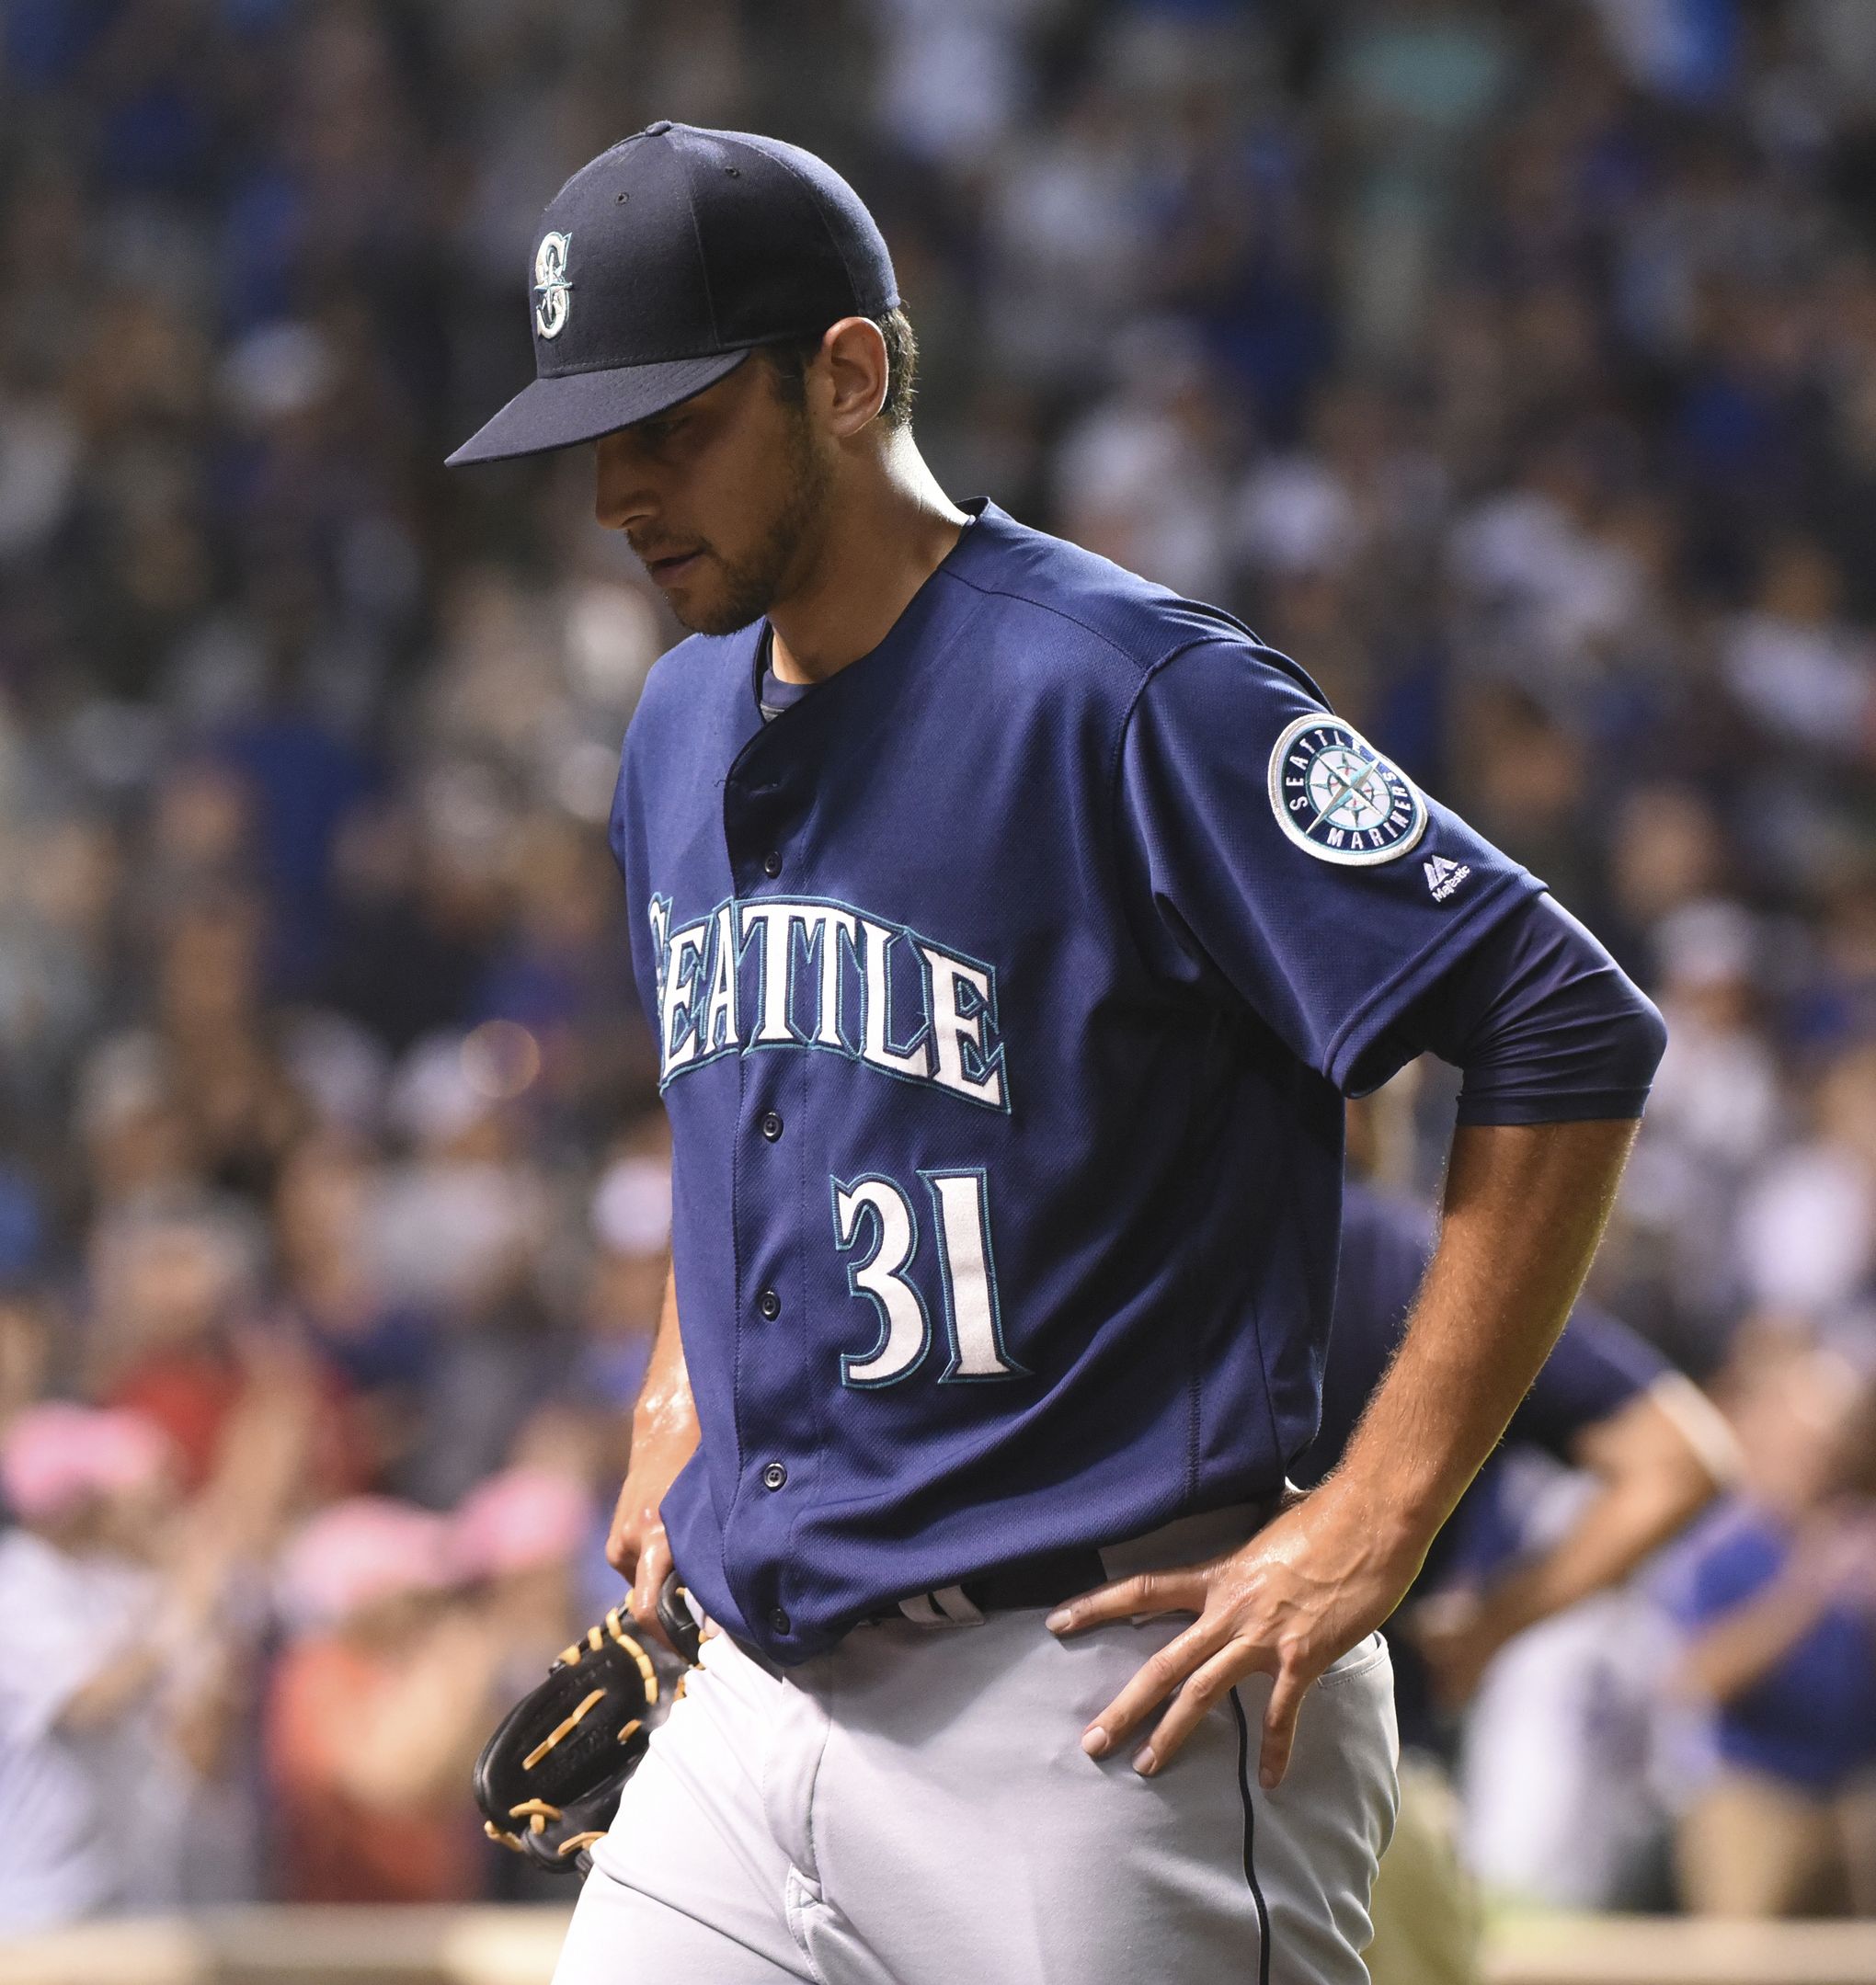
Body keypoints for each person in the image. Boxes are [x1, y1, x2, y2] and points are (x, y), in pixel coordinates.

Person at [448, 122, 1666, 1985]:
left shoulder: (1127, 691)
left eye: (671, 423)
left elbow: (1557, 1013)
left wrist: (1379, 1511)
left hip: (1096, 1705)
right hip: (762, 1699)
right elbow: (742, 1085)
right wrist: (682, 1379)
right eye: (588, 441)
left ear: (846, 375)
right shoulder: (682, 712)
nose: (616, 488)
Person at [1301, 1170, 1735, 1982]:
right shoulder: (1403, 1256)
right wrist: (1488, 1630)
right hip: (1364, 1789)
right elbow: (1679, 1457)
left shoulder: (1114, 1233)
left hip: (1113, 1762)